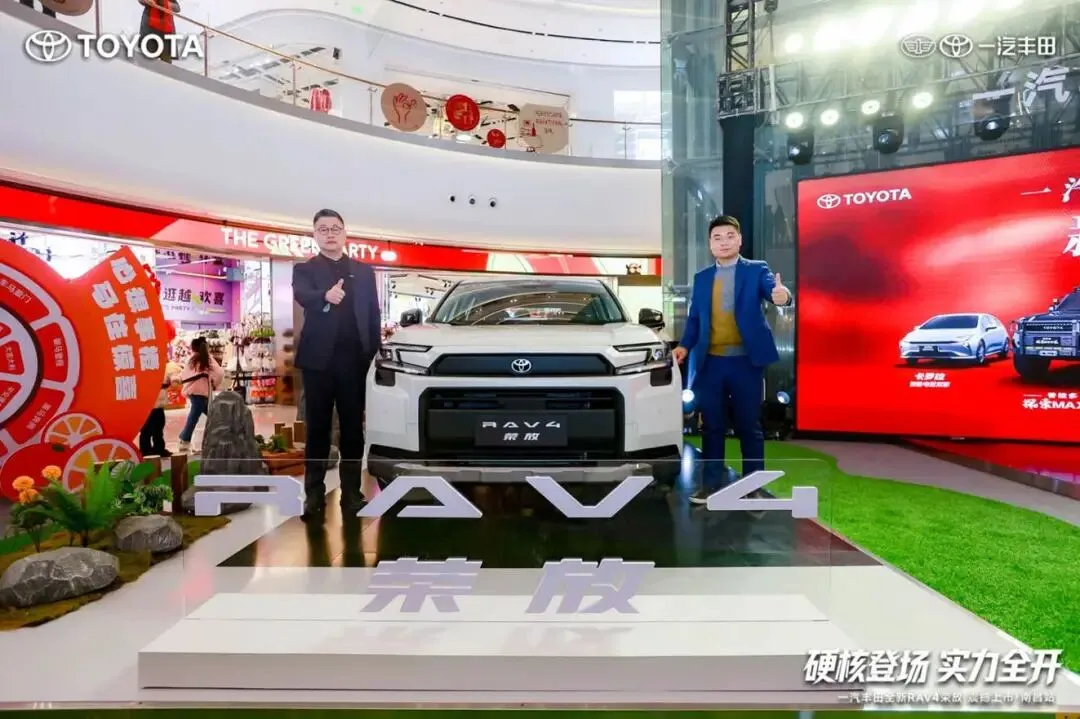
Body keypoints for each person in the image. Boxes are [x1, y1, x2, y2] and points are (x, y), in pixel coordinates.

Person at [672, 215, 792, 505]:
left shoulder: (756, 270)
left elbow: (775, 292)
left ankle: (753, 486)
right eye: (717, 237)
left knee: (749, 425)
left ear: (739, 240)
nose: (724, 242)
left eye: (729, 236)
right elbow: (695, 318)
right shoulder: (702, 278)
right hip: (711, 363)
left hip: (745, 362)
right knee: (712, 426)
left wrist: (782, 296)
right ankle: (710, 485)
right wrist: (684, 345)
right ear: (710, 243)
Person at [292, 209, 381, 520]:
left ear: (344, 233)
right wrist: (325, 296)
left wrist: (374, 354)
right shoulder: (305, 269)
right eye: (323, 229)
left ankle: (352, 494)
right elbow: (303, 295)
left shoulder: (364, 272)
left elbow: (373, 315)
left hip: (354, 361)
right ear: (315, 235)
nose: (329, 234)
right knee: (317, 430)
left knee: (353, 430)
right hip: (318, 362)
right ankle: (313, 497)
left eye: (335, 228)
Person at [177, 336, 222, 452]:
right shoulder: (208, 359)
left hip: (193, 391)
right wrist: (214, 384)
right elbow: (219, 373)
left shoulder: (192, 359)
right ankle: (184, 439)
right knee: (203, 416)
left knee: (209, 415)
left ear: (193, 348)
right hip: (203, 392)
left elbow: (184, 375)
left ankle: (184, 439)